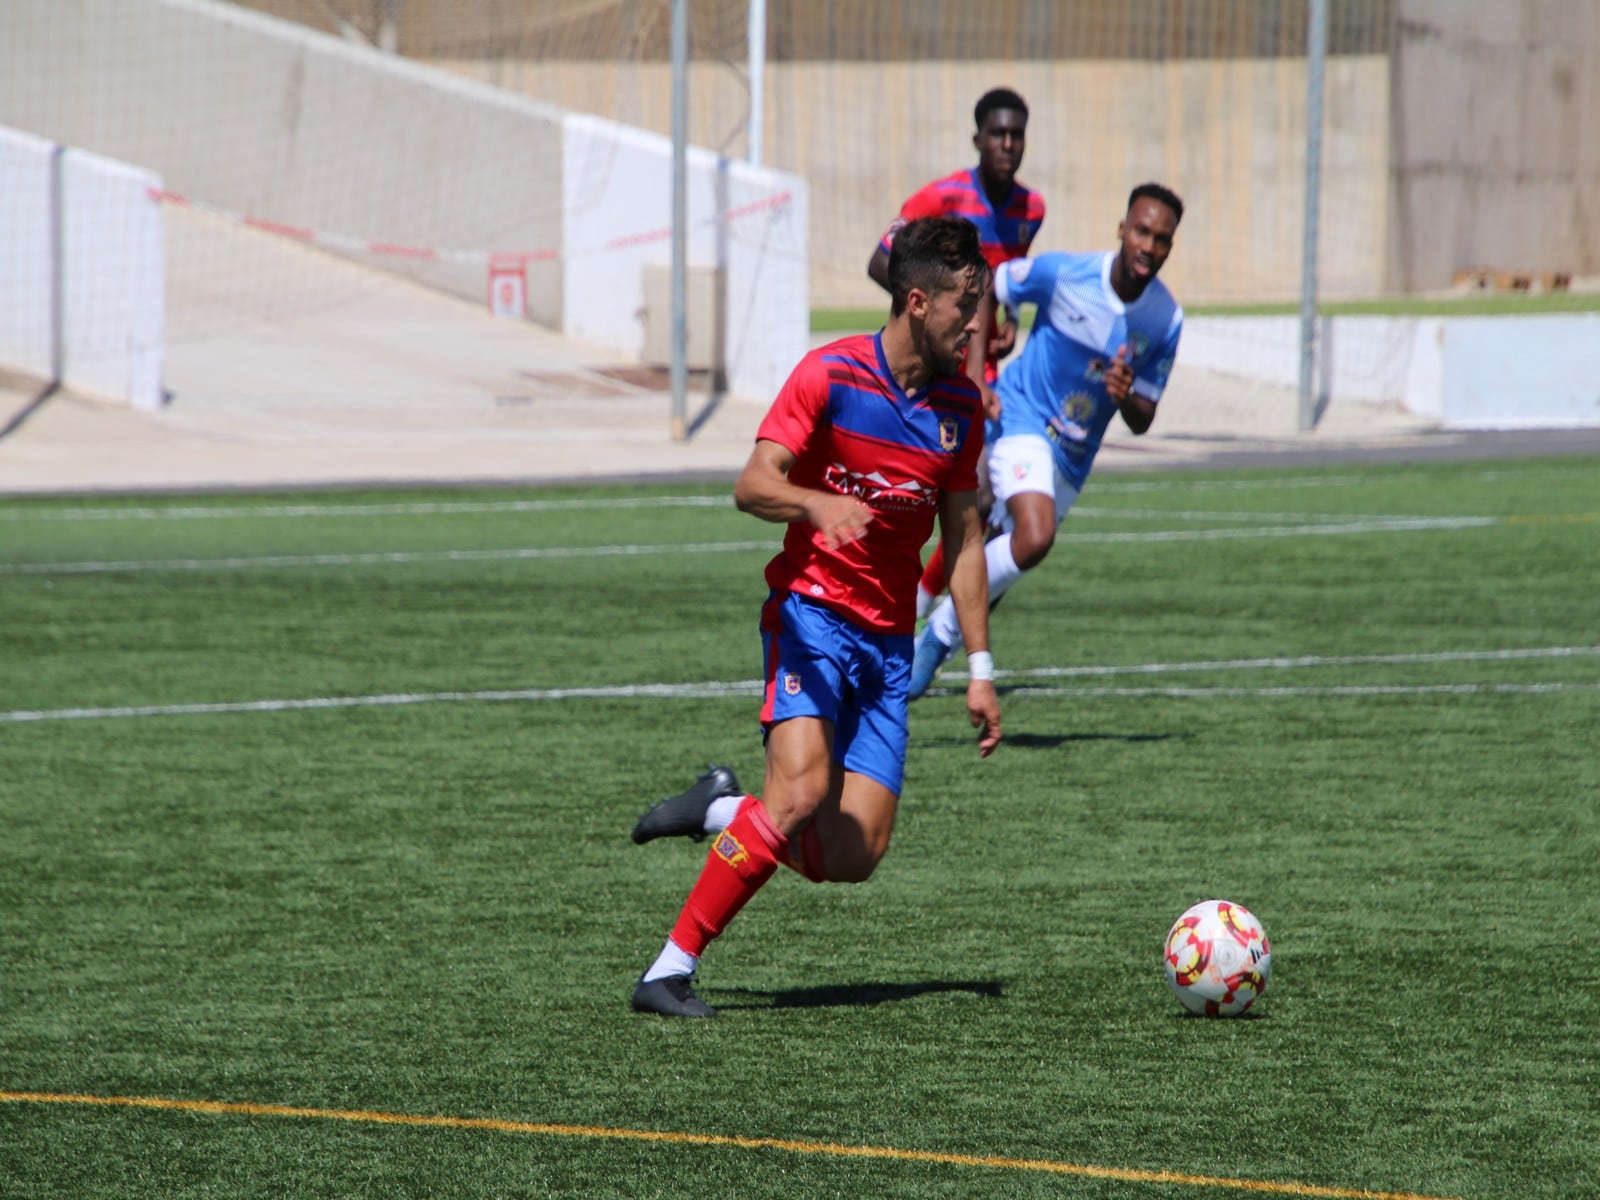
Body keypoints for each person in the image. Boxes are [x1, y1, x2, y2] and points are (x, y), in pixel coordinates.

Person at [629, 215, 1005, 1018]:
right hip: (809, 618)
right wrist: (814, 500)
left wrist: (979, 668)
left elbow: (966, 542)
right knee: (799, 796)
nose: (975, 323)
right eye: (962, 307)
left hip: (886, 648)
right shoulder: (828, 376)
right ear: (915, 302)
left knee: (854, 854)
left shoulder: (962, 410)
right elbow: (751, 483)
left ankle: (723, 808)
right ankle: (668, 968)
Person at [909, 183, 1185, 699]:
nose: (1149, 246)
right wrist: (975, 378)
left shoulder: (1165, 319)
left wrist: (1125, 396)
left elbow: (1144, 416)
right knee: (1032, 537)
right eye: (1142, 231)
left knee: (999, 546)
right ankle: (934, 638)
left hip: (1073, 459)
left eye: (1162, 239)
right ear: (1123, 230)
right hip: (1022, 418)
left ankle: (921, 620)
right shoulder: (1067, 275)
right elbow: (991, 285)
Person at [867, 87, 1045, 393]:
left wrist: (1012, 317)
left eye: (1016, 135)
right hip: (929, 360)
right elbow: (880, 262)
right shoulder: (941, 198)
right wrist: (937, 312)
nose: (1007, 145)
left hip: (980, 364)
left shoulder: (1031, 209)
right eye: (998, 134)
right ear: (978, 140)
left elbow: (1010, 270)